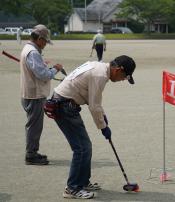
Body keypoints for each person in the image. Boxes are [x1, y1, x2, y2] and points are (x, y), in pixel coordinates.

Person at [51, 55, 136, 199]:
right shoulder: (100, 75)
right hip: (64, 106)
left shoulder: (99, 68)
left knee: (85, 146)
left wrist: (102, 116)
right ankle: (72, 188)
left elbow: (95, 102)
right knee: (81, 148)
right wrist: (103, 127)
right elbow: (94, 105)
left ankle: (82, 182)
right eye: (124, 77)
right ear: (118, 70)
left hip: (66, 104)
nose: (123, 80)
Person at [20, 24, 63, 165]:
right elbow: (43, 75)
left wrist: (45, 66)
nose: (45, 44)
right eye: (44, 41)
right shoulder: (33, 52)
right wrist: (55, 69)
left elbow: (38, 70)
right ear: (39, 39)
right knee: (34, 126)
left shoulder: (28, 49)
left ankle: (32, 152)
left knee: (33, 125)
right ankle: (31, 155)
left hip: (31, 93)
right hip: (34, 95)